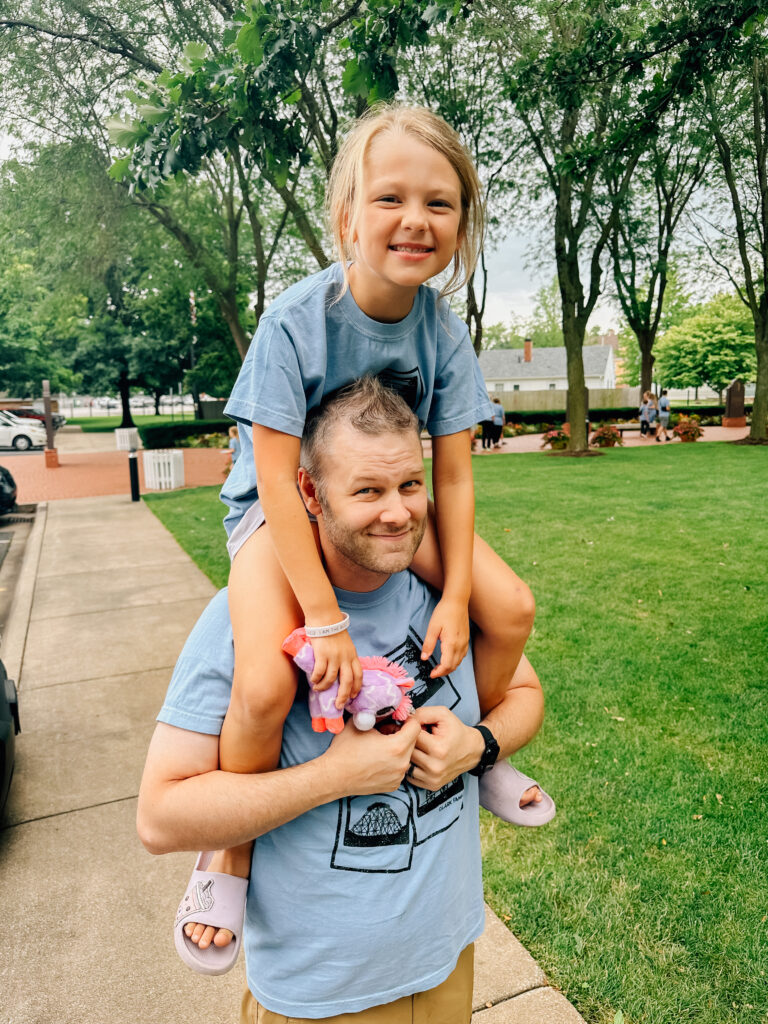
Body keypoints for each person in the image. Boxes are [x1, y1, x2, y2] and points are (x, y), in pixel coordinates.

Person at [187, 105, 538, 950]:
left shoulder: (441, 330)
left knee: (512, 608)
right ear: (347, 216)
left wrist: (453, 597)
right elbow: (273, 477)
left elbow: (452, 472)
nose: (415, 220)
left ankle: (473, 753)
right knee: (269, 687)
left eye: (440, 203)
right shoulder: (295, 321)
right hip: (278, 517)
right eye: (389, 199)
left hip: (386, 505)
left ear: (463, 223)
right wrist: (324, 616)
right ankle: (229, 850)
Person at [138, 379, 549, 1020]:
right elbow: (160, 817)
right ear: (309, 491)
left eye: (411, 485)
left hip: (447, 957)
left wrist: (480, 746)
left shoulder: (439, 602)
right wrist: (333, 776)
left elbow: (523, 692)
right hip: (322, 994)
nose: (398, 512)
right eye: (367, 491)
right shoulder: (242, 624)